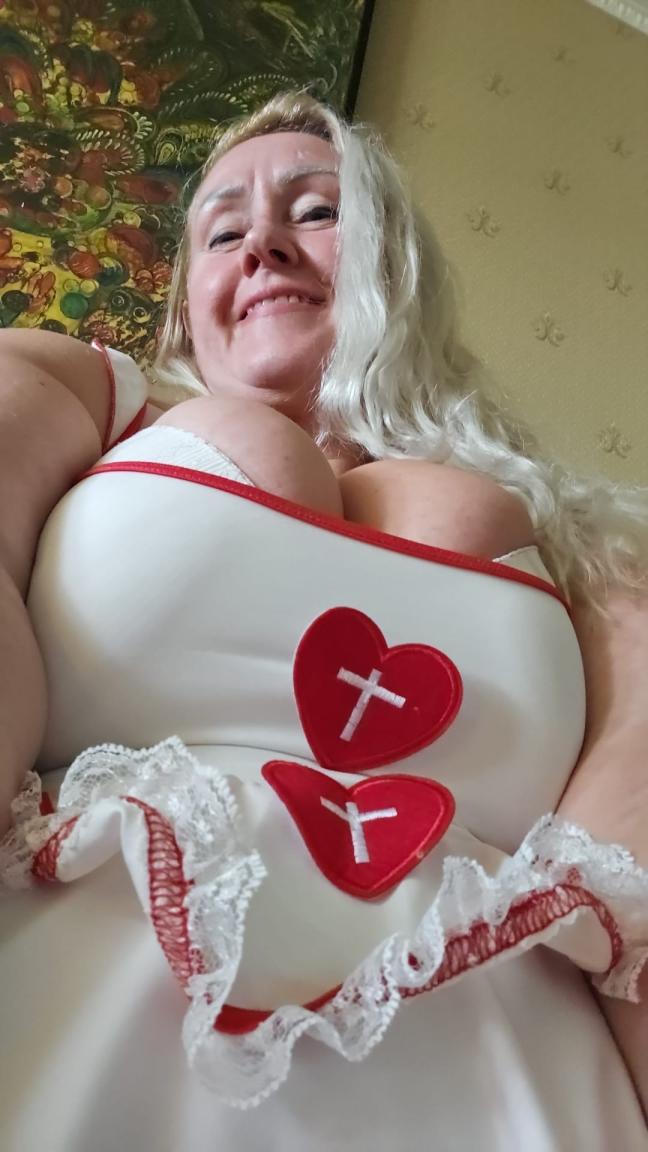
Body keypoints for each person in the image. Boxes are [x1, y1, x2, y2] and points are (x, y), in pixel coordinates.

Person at [0, 91, 647, 1151]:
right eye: (222, 232)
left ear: (395, 262)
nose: (262, 244)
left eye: (315, 211)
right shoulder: (89, 400)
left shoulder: (588, 546)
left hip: (504, 1086)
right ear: (185, 304)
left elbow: (636, 874)